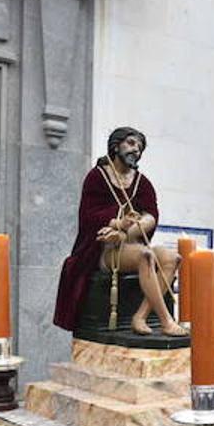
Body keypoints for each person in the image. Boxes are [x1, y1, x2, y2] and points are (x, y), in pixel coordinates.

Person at [52, 127, 186, 336]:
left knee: (172, 258)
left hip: (129, 241)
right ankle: (166, 321)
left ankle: (140, 316)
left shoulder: (142, 182)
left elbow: (151, 216)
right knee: (146, 255)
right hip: (103, 250)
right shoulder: (97, 177)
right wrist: (117, 223)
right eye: (131, 143)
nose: (136, 150)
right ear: (116, 146)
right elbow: (89, 216)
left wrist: (127, 232)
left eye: (140, 147)